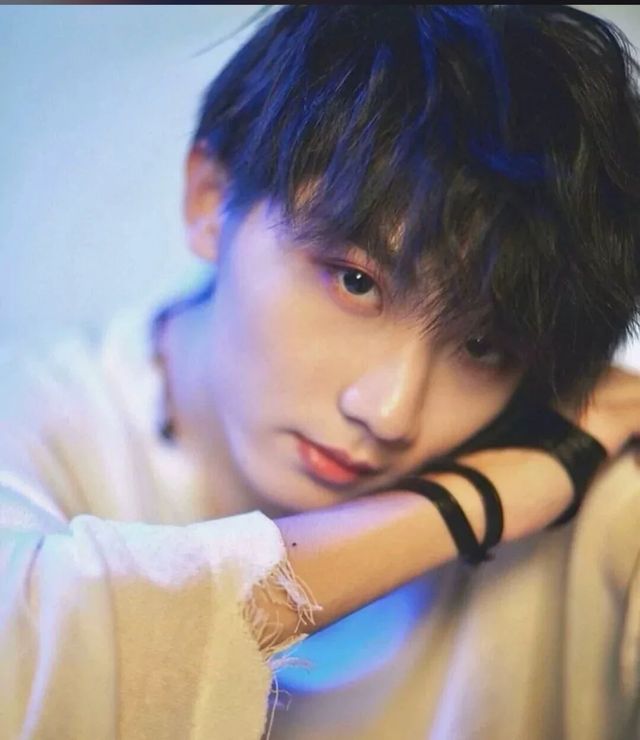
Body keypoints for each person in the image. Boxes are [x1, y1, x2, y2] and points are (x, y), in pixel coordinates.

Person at [3, 4, 640, 738]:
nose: (389, 411)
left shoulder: (592, 483)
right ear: (211, 199)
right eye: (356, 282)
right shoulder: (28, 416)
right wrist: (472, 504)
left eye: (481, 347)